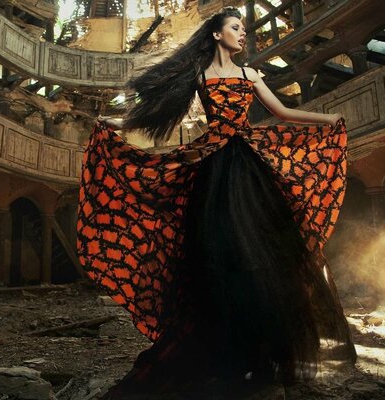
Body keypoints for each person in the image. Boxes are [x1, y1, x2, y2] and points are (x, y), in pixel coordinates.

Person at [76, 6, 357, 400]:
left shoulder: (250, 74)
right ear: (216, 34)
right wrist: (118, 125)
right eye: (236, 28)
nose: (243, 34)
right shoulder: (199, 76)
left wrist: (325, 121)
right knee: (216, 256)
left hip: (248, 166)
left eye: (243, 28)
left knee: (263, 255)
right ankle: (225, 354)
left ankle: (261, 355)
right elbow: (162, 117)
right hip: (213, 169)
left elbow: (281, 112)